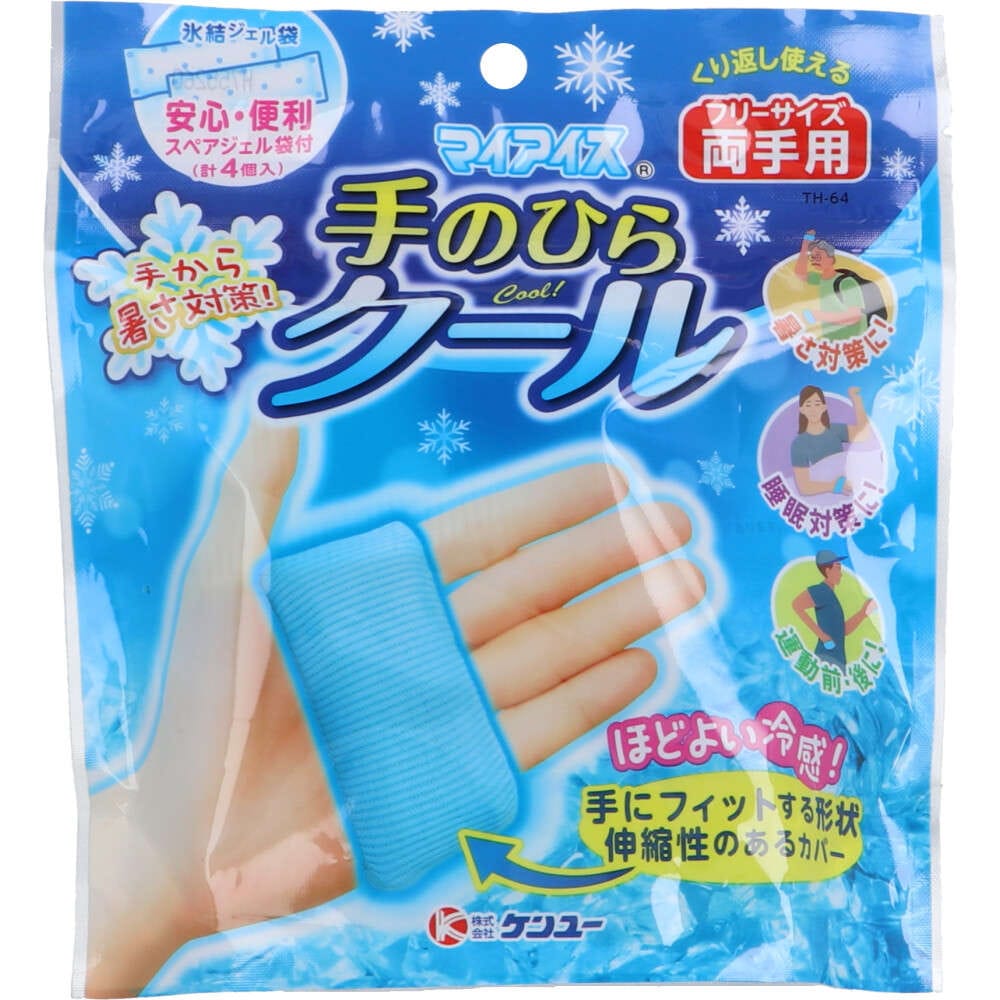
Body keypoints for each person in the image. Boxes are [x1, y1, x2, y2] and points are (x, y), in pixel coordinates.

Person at [791, 550, 875, 670]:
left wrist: (863, 613)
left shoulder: (831, 595)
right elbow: (797, 605)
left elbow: (842, 630)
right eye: (838, 569)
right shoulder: (821, 591)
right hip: (826, 657)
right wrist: (822, 636)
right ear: (827, 570)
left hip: (838, 659)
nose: (841, 574)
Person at [790, 384, 871, 496]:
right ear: (802, 410)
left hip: (849, 486)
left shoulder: (835, 430)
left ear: (824, 407)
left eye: (817, 404)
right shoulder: (799, 444)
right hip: (823, 495)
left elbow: (864, 434)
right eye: (808, 405)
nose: (813, 409)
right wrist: (835, 486)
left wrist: (856, 400)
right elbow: (804, 487)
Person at [793, 230, 868, 340]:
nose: (815, 260)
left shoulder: (846, 282)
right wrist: (805, 245)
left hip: (852, 340)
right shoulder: (821, 279)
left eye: (818, 256)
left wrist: (819, 316)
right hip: (831, 340)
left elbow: (854, 317)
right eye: (812, 257)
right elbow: (800, 274)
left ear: (832, 259)